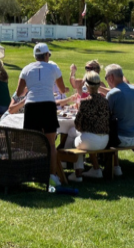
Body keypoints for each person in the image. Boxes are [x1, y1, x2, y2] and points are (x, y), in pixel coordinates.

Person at [15, 43, 66, 187]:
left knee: (31, 143)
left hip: (31, 105)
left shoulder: (26, 69)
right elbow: (62, 88)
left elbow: (19, 93)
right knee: (51, 143)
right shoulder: (53, 68)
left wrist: (32, 87)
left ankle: (33, 173)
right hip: (47, 105)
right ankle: (52, 176)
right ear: (46, 55)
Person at [67, 72, 110, 182]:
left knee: (77, 137)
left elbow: (78, 124)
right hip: (105, 140)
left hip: (91, 140)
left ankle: (76, 172)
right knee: (75, 134)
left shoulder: (85, 103)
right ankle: (96, 169)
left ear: (86, 86)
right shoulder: (105, 101)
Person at [105, 64, 134, 177]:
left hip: (121, 139)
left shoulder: (113, 93)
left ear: (111, 77)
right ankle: (116, 166)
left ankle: (112, 167)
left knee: (101, 133)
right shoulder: (133, 90)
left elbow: (104, 116)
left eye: (106, 78)